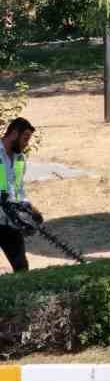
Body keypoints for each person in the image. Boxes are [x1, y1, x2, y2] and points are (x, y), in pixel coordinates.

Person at [0, 117, 35, 273]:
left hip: (9, 220)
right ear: (14, 134)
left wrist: (28, 210)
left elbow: (18, 188)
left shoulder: (20, 159)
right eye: (25, 138)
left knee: (21, 266)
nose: (27, 143)